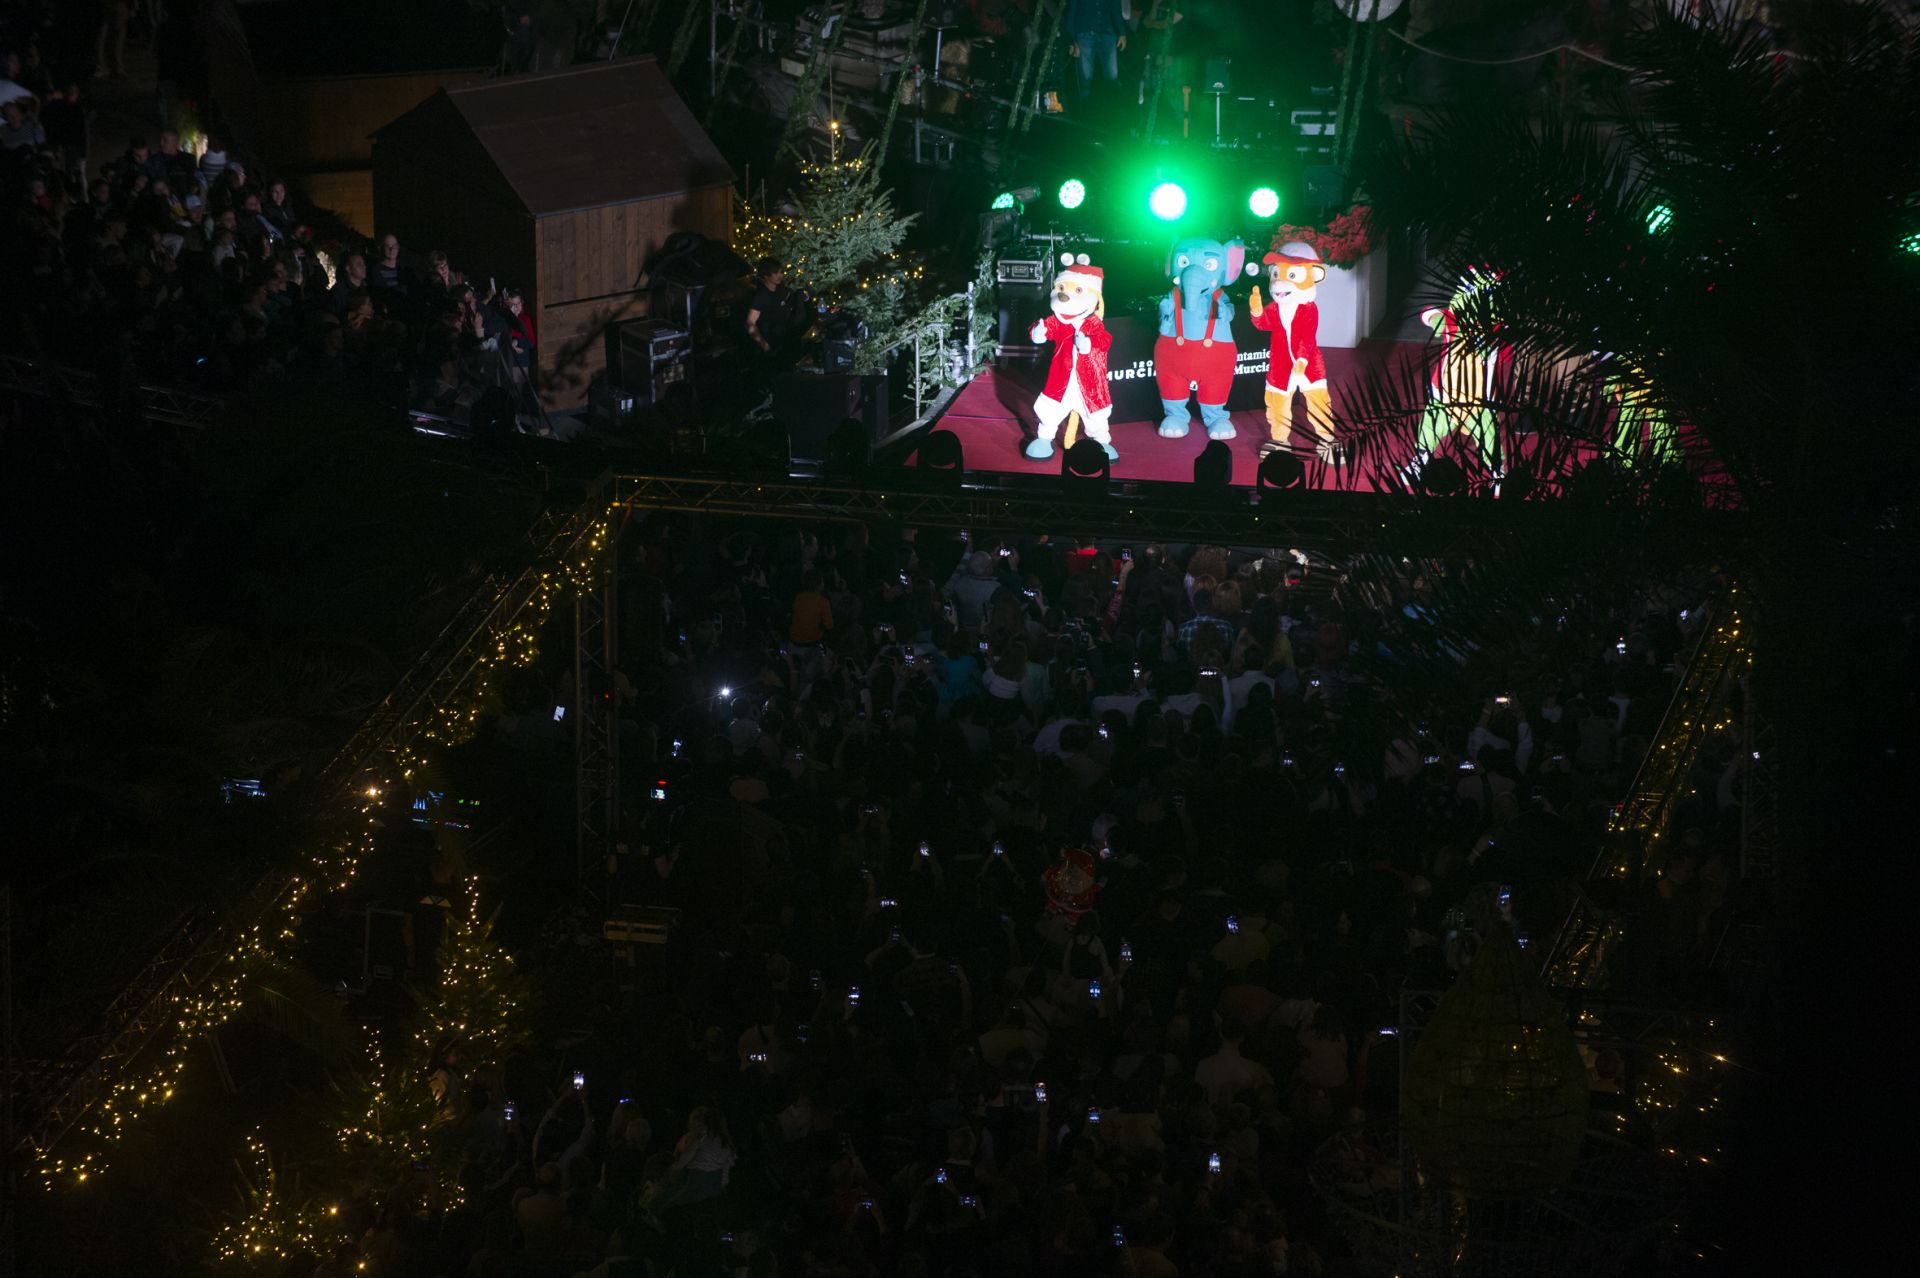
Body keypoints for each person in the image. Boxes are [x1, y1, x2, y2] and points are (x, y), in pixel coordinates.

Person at [1066, 0, 1127, 103]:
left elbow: (1116, 8)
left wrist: (1122, 32)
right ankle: (1085, 108)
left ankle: (1110, 107)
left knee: (1112, 75)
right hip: (1085, 35)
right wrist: (1071, 40)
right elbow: (1071, 12)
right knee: (1085, 76)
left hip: (1107, 33)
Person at [745, 255, 802, 359]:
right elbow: (750, 323)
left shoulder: (780, 287)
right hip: (773, 340)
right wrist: (765, 345)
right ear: (766, 276)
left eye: (780, 272)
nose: (780, 276)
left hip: (787, 333)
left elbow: (788, 299)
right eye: (776, 273)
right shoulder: (761, 296)